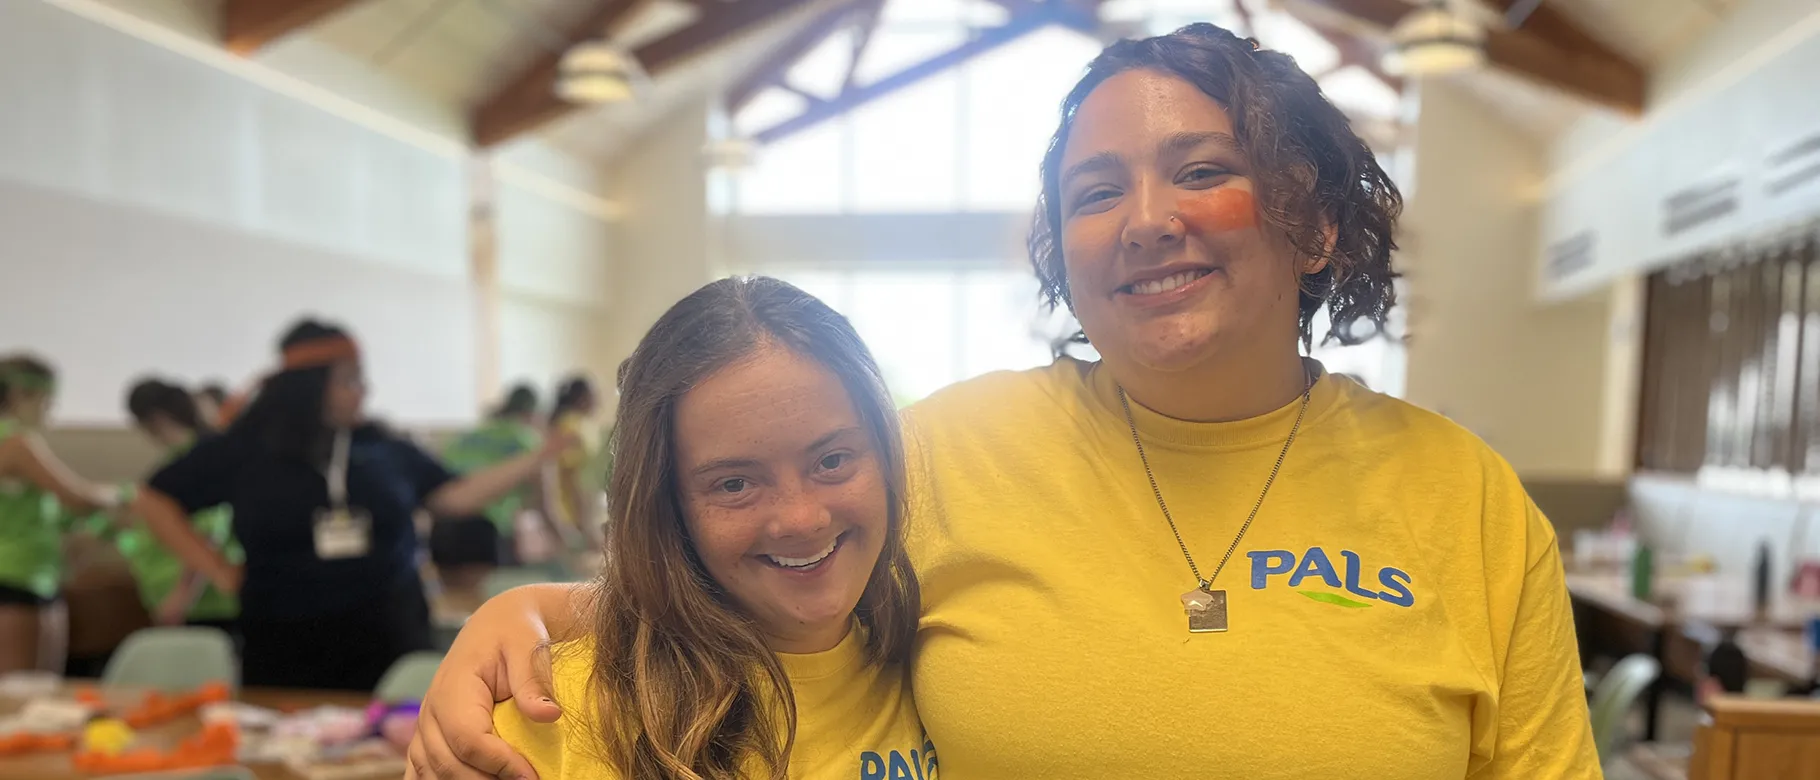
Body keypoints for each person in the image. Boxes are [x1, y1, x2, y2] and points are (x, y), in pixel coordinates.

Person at [408, 23, 1597, 779]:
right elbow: (763, 566)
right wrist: (533, 612)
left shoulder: (1464, 499)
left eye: (1200, 171)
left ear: (1318, 222)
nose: (1144, 220)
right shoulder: (949, 450)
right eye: (1094, 193)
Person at [477, 277, 926, 780]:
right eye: (734, 484)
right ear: (667, 507)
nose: (802, 518)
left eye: (833, 460)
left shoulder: (941, 666)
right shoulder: (548, 725)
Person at [135, 319, 570, 691]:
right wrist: (219, 571)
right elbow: (154, 499)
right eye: (350, 380)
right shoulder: (248, 449)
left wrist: (539, 456)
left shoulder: (383, 448)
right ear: (309, 385)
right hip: (284, 640)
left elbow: (454, 497)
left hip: (388, 632)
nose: (364, 391)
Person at [0, 355, 122, 672]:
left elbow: (52, 511)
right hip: (15, 578)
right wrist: (125, 496)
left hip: (37, 576)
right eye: (46, 401)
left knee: (39, 686)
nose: (49, 411)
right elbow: (77, 497)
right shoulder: (15, 443)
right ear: (19, 395)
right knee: (20, 688)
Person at [120, 378, 241, 632]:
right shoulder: (178, 461)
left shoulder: (200, 461)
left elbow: (208, 534)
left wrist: (181, 596)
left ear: (156, 420)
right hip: (188, 600)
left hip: (204, 605)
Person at [434, 384, 552, 579]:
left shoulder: (467, 436)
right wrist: (566, 543)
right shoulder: (527, 441)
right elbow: (544, 505)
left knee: (456, 596)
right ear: (533, 414)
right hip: (484, 534)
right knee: (497, 594)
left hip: (443, 531)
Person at [545, 375, 604, 548]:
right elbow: (573, 477)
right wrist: (586, 525)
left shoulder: (582, 424)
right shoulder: (571, 426)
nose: (598, 400)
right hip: (572, 515)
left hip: (581, 513)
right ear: (582, 398)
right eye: (594, 395)